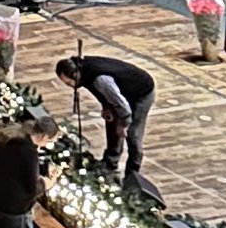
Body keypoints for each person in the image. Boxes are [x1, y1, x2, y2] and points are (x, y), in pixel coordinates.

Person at [54, 51, 157, 189]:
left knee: (133, 135)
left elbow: (122, 106)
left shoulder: (100, 79)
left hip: (140, 94)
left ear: (76, 75)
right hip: (121, 94)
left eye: (69, 82)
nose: (70, 86)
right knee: (112, 124)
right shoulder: (84, 71)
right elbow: (104, 94)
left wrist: (124, 124)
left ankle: (132, 176)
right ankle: (110, 163)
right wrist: (106, 108)